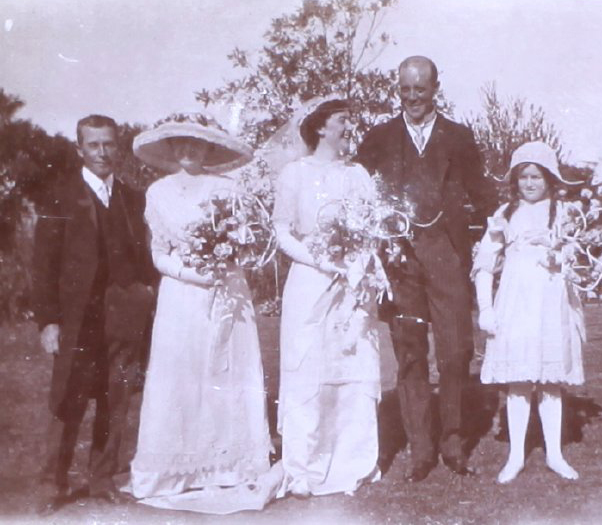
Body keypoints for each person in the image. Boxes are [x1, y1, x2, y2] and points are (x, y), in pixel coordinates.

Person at [356, 55, 496, 481]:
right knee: (411, 353)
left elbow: (482, 193)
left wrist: (502, 234)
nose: (412, 97)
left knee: (455, 352)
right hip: (400, 261)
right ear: (397, 90)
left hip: (446, 255)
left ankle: (453, 443)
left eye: (420, 88)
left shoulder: (458, 136)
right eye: (405, 89)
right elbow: (361, 196)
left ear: (436, 87)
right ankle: (421, 451)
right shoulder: (379, 137)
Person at [127, 114, 276, 513]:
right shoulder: (158, 192)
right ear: (172, 150)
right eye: (181, 144)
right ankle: (175, 472)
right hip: (182, 296)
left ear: (209, 149)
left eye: (197, 144)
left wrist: (226, 264)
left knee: (226, 371)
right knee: (181, 373)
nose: (189, 151)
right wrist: (191, 274)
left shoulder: (229, 188)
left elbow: (244, 242)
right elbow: (158, 253)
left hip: (228, 292)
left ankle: (230, 463)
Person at [32, 114, 157, 510]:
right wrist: (48, 320)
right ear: (80, 149)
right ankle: (53, 485)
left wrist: (145, 295)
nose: (102, 152)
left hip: (125, 317)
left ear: (118, 147)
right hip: (77, 319)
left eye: (109, 144)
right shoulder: (60, 196)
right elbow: (43, 265)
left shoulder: (134, 198)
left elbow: (146, 259)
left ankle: (102, 480)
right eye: (94, 145)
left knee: (116, 398)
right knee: (68, 398)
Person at [272, 97, 381, 497]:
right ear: (320, 128)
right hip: (311, 282)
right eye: (342, 121)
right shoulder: (294, 174)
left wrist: (355, 265)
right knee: (309, 368)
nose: (350, 127)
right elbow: (283, 231)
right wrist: (322, 262)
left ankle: (353, 458)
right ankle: (304, 465)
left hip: (353, 283)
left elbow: (371, 229)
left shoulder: (359, 175)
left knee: (351, 362)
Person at [473, 141, 585, 484]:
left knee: (551, 382)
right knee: (519, 381)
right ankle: (516, 454)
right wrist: (486, 308)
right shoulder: (505, 214)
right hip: (517, 303)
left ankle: (554, 453)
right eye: (524, 177)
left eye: (537, 176)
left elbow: (575, 262)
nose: (530, 183)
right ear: (515, 180)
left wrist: (558, 251)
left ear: (550, 178)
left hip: (551, 304)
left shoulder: (563, 214)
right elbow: (484, 265)